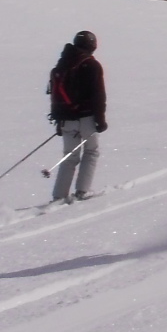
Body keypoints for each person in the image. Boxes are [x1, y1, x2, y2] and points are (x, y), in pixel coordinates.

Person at [47, 30, 107, 203]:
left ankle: (59, 196)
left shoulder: (62, 64)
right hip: (86, 118)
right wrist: (100, 120)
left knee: (69, 156)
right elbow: (98, 95)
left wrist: (59, 121)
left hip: (65, 119)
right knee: (91, 151)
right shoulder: (91, 65)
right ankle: (82, 191)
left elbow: (54, 95)